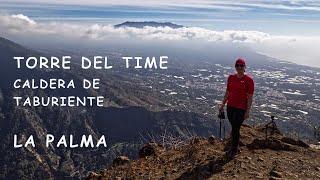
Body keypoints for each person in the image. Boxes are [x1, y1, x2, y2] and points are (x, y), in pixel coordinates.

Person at [219, 58, 254, 159]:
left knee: (235, 127)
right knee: (234, 127)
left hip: (241, 108)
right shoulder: (231, 78)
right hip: (230, 106)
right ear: (235, 67)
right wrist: (222, 105)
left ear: (244, 67)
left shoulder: (249, 80)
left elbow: (250, 97)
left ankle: (234, 149)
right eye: (237, 65)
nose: (239, 67)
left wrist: (247, 111)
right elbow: (228, 92)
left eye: (241, 65)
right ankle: (235, 147)